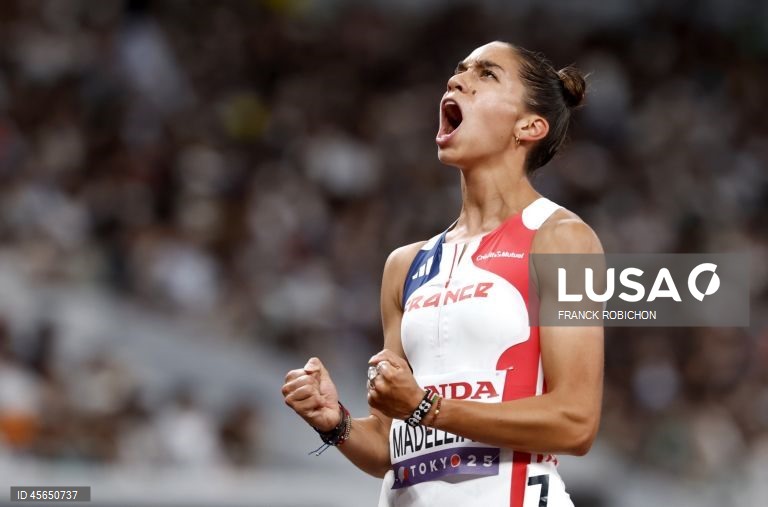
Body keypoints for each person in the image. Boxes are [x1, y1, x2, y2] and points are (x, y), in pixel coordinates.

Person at [282, 41, 604, 507]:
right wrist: (336, 423)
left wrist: (426, 408)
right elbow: (391, 449)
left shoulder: (563, 239)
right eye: (458, 70)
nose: (457, 80)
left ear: (530, 126)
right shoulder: (404, 266)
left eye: (487, 74)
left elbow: (576, 422)